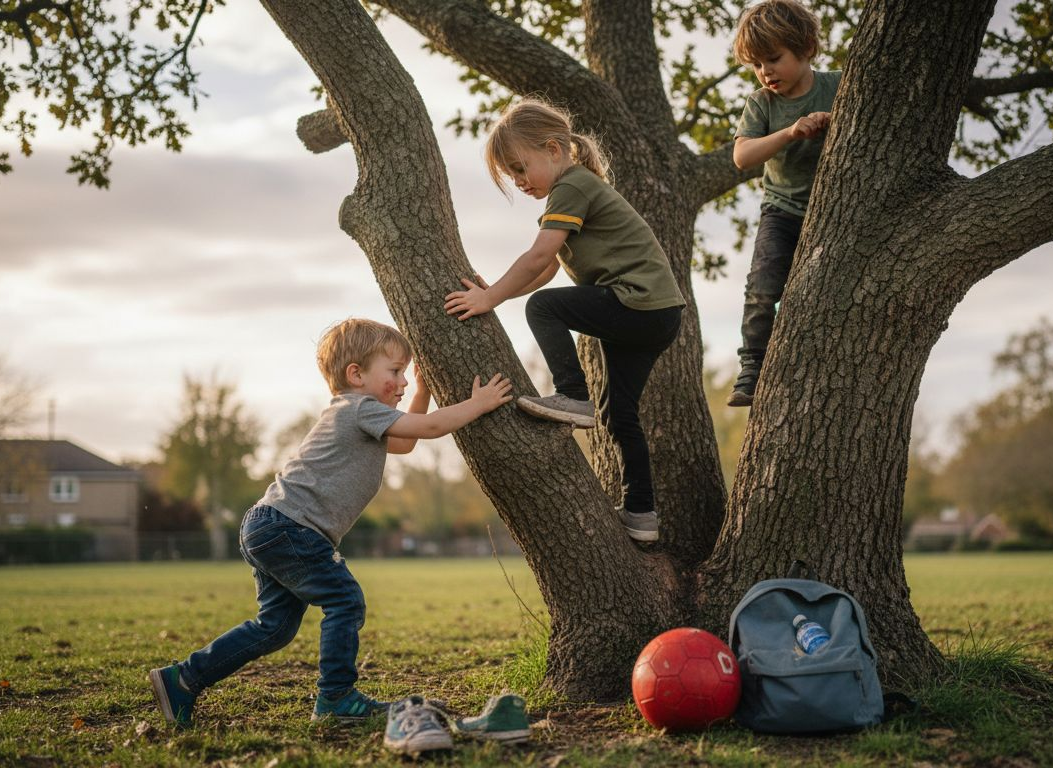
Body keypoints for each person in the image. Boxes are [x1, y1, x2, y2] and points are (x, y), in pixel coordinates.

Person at [149, 319, 512, 741]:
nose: (401, 381)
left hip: (272, 524)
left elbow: (407, 441)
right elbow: (429, 429)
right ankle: (336, 698)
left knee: (275, 627)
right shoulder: (359, 409)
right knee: (345, 600)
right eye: (394, 372)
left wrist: (423, 390)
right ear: (355, 374)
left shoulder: (359, 417)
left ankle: (182, 680)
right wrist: (479, 403)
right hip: (291, 527)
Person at [443, 98, 685, 543]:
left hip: (636, 301)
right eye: (511, 175)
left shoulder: (572, 185)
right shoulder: (576, 189)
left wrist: (490, 298)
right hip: (656, 313)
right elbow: (547, 268)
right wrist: (493, 291)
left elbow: (539, 255)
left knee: (543, 307)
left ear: (554, 149)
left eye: (521, 167)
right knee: (620, 414)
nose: (519, 181)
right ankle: (642, 515)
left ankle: (573, 395)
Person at [727, 0, 842, 406]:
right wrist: (791, 133)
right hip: (781, 211)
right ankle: (752, 367)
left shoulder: (839, 85)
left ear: (806, 46)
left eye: (773, 59)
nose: (765, 72)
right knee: (761, 288)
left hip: (833, 211)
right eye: (757, 64)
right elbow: (742, 157)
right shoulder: (762, 103)